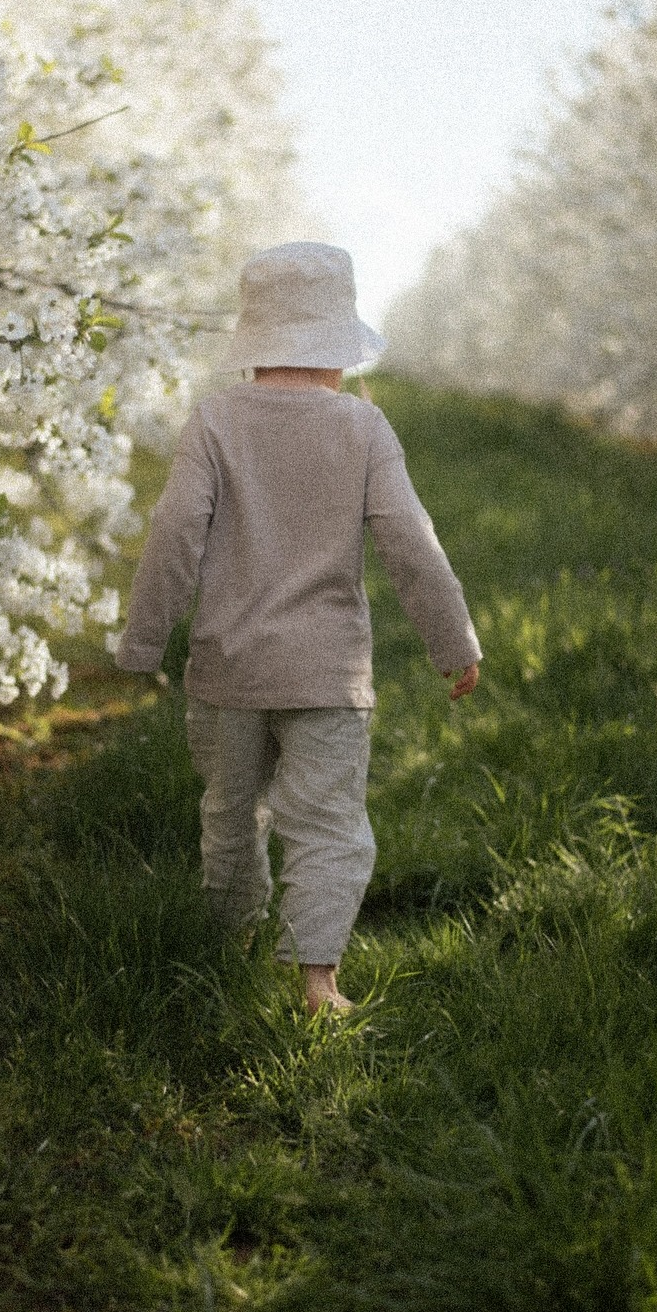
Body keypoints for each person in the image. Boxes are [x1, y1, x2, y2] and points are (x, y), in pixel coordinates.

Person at [114, 242, 482, 1013]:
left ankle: (226, 953)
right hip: (327, 675)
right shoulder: (364, 429)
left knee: (228, 816)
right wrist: (454, 643)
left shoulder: (214, 420)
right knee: (325, 822)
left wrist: (144, 639)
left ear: (253, 343)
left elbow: (175, 530)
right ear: (338, 347)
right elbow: (412, 542)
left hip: (228, 670)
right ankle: (318, 981)